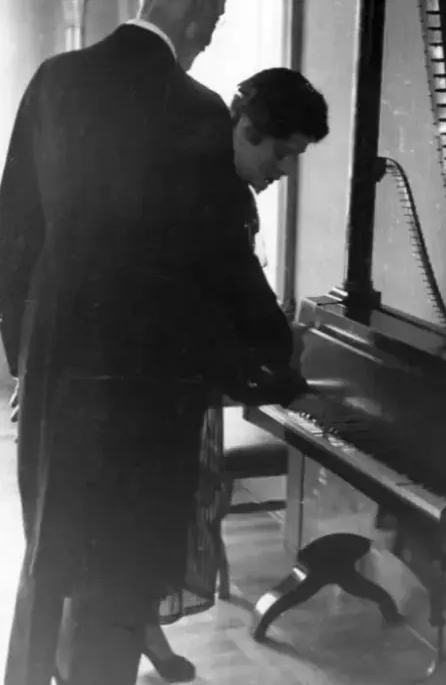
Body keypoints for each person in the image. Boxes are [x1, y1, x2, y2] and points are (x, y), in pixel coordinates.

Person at [0, 0, 303, 685]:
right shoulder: (198, 113)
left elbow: (14, 236)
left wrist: (26, 358)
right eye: (214, 18)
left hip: (55, 375)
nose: (210, 36)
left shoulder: (54, 80)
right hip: (145, 393)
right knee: (119, 577)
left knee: (48, 556)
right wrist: (275, 346)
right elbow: (219, 261)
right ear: (190, 4)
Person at [141, 67, 329, 680]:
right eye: (281, 152)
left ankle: (139, 633)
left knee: (151, 522)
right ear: (247, 128)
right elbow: (212, 307)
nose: (285, 169)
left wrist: (278, 354)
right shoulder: (201, 189)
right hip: (146, 381)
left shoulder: (227, 189)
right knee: (134, 524)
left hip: (171, 378)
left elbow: (244, 290)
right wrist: (280, 377)